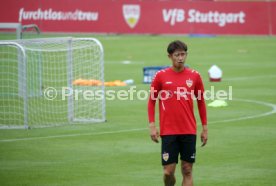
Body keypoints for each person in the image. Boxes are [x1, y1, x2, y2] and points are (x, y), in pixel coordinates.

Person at [147, 40, 208, 186]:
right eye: (177, 55)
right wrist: (152, 126)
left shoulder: (194, 76)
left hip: (188, 130)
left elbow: (201, 102)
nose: (180, 58)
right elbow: (151, 101)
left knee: (187, 170)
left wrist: (205, 128)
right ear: (169, 56)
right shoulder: (160, 76)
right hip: (169, 131)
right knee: (168, 172)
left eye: (183, 54)